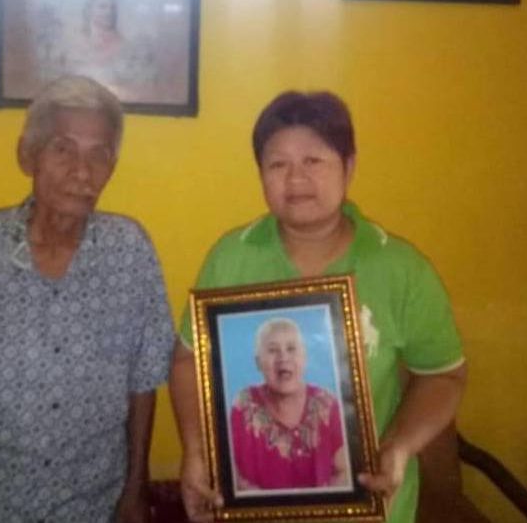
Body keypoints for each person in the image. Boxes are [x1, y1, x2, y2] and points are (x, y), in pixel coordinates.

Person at [169, 91, 467, 523]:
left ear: (348, 167)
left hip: (369, 510)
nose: (295, 179)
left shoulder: (401, 268)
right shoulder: (231, 258)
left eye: (314, 160)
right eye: (277, 164)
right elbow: (186, 363)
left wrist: (399, 447)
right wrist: (195, 453)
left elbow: (443, 374)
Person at [0, 75, 175, 523]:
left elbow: (142, 383)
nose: (81, 172)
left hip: (95, 503)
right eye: (62, 149)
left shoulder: (131, 251)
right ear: (27, 155)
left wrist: (135, 492)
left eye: (100, 155)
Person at [230, 317, 348, 492]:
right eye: (272, 350)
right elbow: (232, 478)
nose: (283, 357)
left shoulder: (327, 404)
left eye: (291, 349)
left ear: (305, 357)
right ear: (258, 363)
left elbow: (345, 472)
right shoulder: (244, 404)